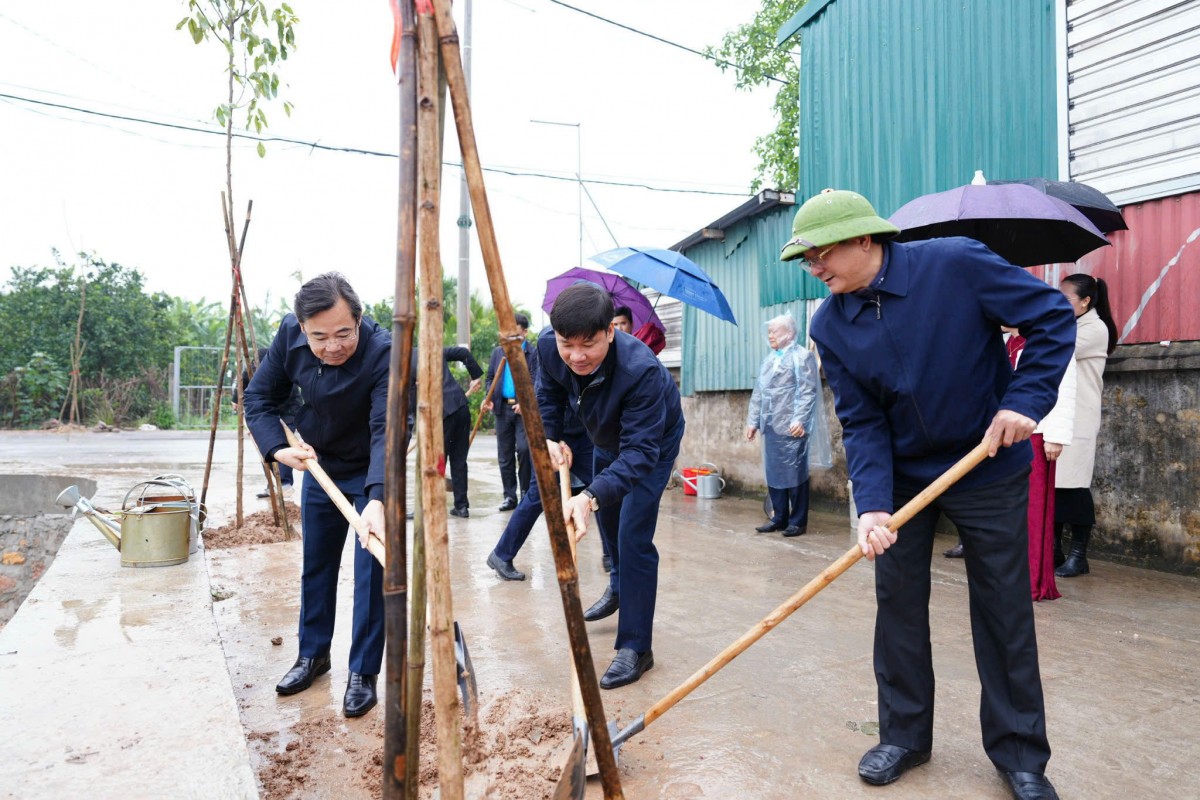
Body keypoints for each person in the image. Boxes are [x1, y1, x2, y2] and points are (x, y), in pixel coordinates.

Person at [781, 189, 1075, 800]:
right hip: (905, 478)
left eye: (820, 254)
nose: (815, 269)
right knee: (899, 608)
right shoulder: (829, 324)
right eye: (806, 260)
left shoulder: (955, 264)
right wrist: (874, 505)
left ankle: (1021, 754)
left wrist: (1024, 401)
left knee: (1003, 610)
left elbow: (1050, 318)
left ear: (865, 238)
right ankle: (905, 735)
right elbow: (860, 421)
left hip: (987, 463)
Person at [243, 272, 391, 718]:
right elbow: (259, 397)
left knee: (371, 573)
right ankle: (313, 656)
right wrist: (278, 448)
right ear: (301, 327)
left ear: (360, 320)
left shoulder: (384, 352)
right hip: (319, 464)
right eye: (319, 337)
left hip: (371, 471)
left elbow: (387, 428)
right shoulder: (289, 335)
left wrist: (380, 497)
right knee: (317, 567)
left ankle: (363, 672)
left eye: (344, 333)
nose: (332, 346)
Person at [538, 282, 685, 689]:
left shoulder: (642, 372)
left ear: (611, 331)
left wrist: (587, 497)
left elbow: (639, 454)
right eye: (568, 344)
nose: (576, 356)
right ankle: (620, 585)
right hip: (603, 435)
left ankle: (637, 647)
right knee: (609, 519)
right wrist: (551, 435)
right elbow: (548, 389)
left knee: (633, 534)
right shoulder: (550, 347)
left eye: (589, 344)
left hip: (649, 444)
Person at [1005, 328, 1077, 601]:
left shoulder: (1049, 338)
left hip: (1036, 434)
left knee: (1033, 511)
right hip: (1005, 436)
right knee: (1009, 510)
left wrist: (1056, 437)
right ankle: (1009, 579)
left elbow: (1065, 386)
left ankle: (1032, 581)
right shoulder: (1006, 343)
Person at [1054, 274, 1117, 578]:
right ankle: (1054, 550)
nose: (1060, 303)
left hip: (1079, 418)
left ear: (1085, 301)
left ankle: (1079, 554)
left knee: (1074, 487)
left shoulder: (1094, 329)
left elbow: (1057, 349)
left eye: (1065, 299)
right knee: (1053, 485)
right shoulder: (1073, 325)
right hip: (1058, 417)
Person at [745, 313, 823, 536]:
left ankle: (798, 521)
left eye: (774, 331)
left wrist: (800, 419)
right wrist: (752, 421)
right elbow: (759, 392)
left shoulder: (802, 357)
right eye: (769, 331)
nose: (770, 335)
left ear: (788, 333)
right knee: (774, 472)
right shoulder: (769, 359)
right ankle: (779, 516)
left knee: (795, 474)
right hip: (770, 425)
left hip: (792, 426)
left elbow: (808, 390)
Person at [233, 347, 301, 500]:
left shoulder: (283, 368)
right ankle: (272, 485)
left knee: (282, 446)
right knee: (268, 448)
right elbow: (242, 382)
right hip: (266, 413)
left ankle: (284, 484)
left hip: (288, 411)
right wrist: (235, 400)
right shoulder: (252, 370)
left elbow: (288, 398)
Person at [483, 313, 533, 512]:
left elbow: (538, 380)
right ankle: (509, 496)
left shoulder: (532, 353)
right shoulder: (498, 352)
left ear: (524, 332)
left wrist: (527, 403)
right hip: (502, 408)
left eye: (514, 328)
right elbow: (489, 378)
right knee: (505, 455)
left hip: (523, 411)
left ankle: (526, 494)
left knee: (524, 449)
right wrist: (490, 397)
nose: (509, 332)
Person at [427, 346, 484, 518]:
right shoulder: (433, 350)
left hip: (442, 414)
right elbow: (463, 352)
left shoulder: (403, 366)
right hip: (460, 407)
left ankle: (432, 507)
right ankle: (461, 506)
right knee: (459, 460)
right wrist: (475, 376)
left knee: (437, 461)